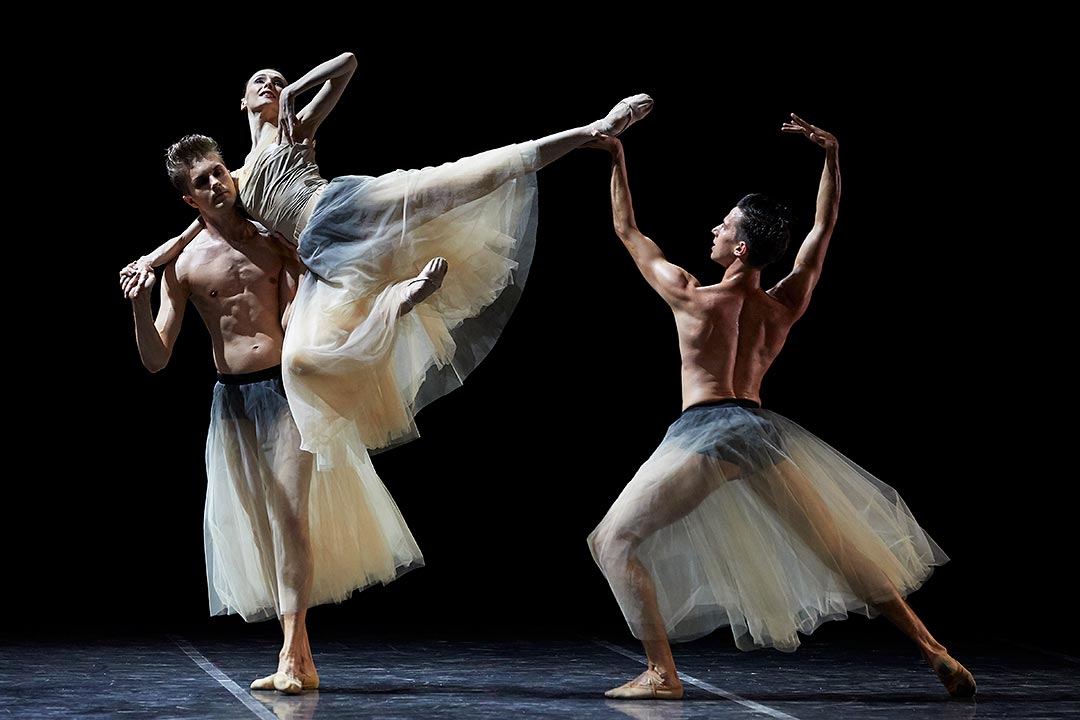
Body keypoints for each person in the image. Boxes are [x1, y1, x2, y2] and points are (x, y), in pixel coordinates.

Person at [584, 115, 976, 700]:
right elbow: (823, 229)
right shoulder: (782, 304)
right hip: (763, 431)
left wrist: (615, 157)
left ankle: (663, 675)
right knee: (841, 551)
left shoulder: (692, 297)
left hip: (708, 428)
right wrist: (832, 158)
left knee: (611, 541)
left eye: (722, 225)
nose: (712, 229)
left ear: (738, 247)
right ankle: (935, 651)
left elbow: (627, 231)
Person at [122, 52, 654, 471]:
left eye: (275, 78)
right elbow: (197, 223)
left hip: (339, 205)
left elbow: (349, 63)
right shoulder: (228, 177)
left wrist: (296, 91)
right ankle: (396, 301)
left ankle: (594, 129)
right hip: (320, 255)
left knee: (453, 180)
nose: (270, 83)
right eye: (259, 80)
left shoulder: (295, 127)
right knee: (303, 359)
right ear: (240, 102)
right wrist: (151, 257)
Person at [123, 134, 422, 695]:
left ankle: (290, 655)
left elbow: (327, 279)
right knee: (265, 525)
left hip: (284, 389)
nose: (215, 185)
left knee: (289, 518)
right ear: (189, 199)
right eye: (201, 183)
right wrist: (141, 306)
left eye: (217, 172)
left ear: (228, 170)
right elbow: (158, 357)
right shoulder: (182, 265)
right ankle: (301, 662)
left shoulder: (270, 237)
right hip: (232, 401)